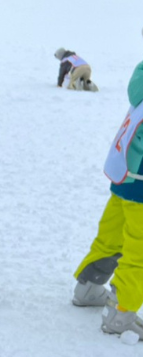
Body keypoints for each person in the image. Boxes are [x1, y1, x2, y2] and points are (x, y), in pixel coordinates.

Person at [72, 60, 143, 339]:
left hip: (125, 172)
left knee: (112, 236)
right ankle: (121, 314)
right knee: (139, 250)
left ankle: (89, 286)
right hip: (141, 181)